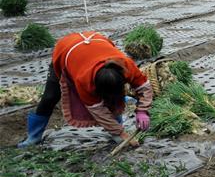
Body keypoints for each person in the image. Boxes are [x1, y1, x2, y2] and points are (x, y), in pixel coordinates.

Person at [18, 32, 153, 147]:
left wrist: (142, 111)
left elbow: (145, 87)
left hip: (96, 42)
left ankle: (116, 129)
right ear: (95, 87)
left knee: (113, 99)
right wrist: (121, 133)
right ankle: (34, 136)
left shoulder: (126, 65)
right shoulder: (84, 80)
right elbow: (98, 110)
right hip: (66, 50)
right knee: (50, 96)